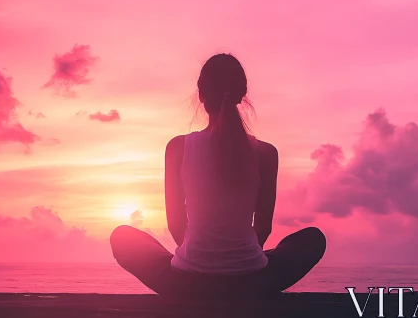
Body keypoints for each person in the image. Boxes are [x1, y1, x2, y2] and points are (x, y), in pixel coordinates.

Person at [110, 53, 326, 297]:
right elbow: (262, 228)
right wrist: (238, 263)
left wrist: (202, 261)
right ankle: (243, 271)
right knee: (312, 240)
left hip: (185, 284)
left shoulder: (177, 148)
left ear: (201, 95)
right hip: (251, 282)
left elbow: (176, 226)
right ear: (242, 95)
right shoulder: (266, 153)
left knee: (123, 237)